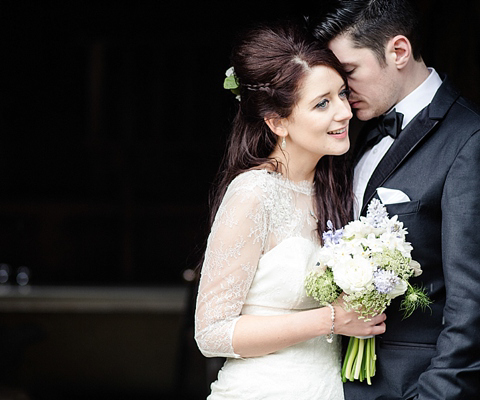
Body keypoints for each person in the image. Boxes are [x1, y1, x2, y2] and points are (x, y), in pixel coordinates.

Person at [193, 22, 387, 399]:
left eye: (342, 94)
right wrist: (332, 319)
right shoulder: (253, 193)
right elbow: (211, 332)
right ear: (277, 121)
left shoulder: (335, 185)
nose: (345, 112)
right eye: (322, 103)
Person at [312, 1, 480, 399]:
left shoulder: (468, 140)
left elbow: (471, 304)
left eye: (349, 73)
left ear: (398, 51)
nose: (340, 93)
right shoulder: (349, 135)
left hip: (411, 385)